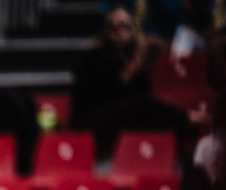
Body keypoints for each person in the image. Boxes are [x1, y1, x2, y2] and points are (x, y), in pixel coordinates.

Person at [72, 6, 205, 158]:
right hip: (92, 120)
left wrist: (135, 73)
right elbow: (99, 98)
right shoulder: (94, 58)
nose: (120, 32)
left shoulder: (132, 57)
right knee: (145, 106)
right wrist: (125, 77)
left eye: (125, 27)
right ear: (106, 32)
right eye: (114, 28)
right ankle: (187, 119)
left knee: (147, 110)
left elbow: (143, 94)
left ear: (133, 30)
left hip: (123, 120)